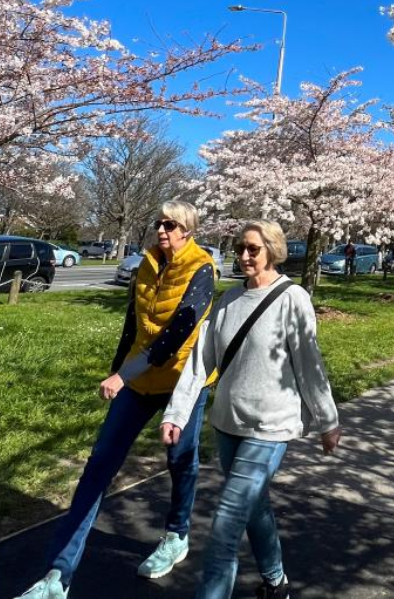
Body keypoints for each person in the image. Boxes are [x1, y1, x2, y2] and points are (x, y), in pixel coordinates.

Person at [17, 201, 216, 598]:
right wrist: (117, 370)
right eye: (158, 222)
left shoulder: (202, 269)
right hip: (137, 380)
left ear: (188, 230)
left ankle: (177, 534)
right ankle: (58, 576)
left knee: (180, 459)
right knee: (100, 464)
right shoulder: (144, 264)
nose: (161, 229)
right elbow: (132, 323)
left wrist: (123, 374)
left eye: (170, 224)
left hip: (183, 381)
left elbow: (180, 330)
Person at [161, 219, 341, 599]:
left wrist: (328, 421)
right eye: (240, 247)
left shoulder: (293, 298)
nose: (244, 255)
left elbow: (309, 364)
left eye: (253, 249)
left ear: (273, 251)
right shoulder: (228, 300)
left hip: (271, 426)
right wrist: (176, 413)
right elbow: (200, 361)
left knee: (226, 523)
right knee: (253, 507)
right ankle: (276, 582)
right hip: (228, 423)